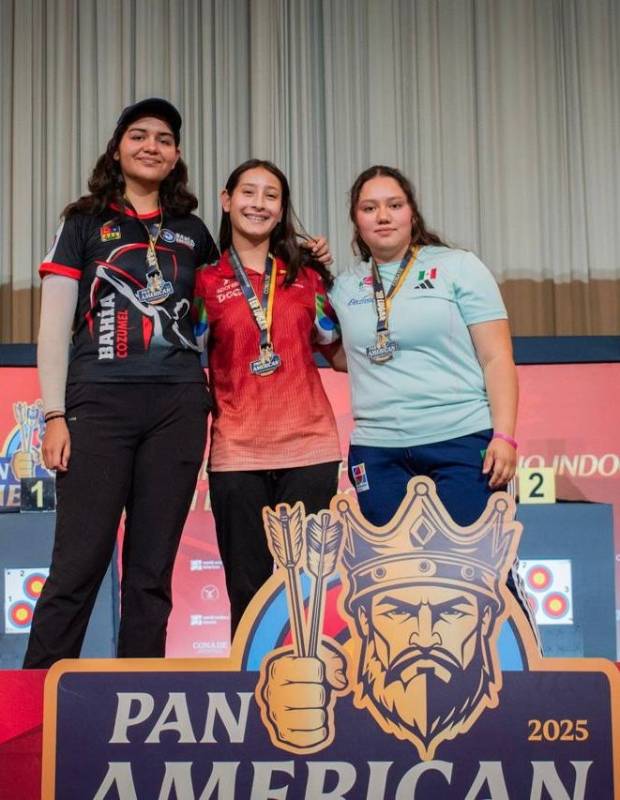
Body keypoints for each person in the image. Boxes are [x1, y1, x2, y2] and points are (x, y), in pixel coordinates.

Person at [24, 98, 217, 667]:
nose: (151, 146)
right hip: (98, 407)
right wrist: (53, 415)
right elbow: (53, 326)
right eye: (139, 135)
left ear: (176, 156)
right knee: (76, 567)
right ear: (117, 149)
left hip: (177, 408)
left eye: (164, 139)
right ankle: (32, 704)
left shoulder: (193, 232)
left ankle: (140, 698)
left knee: (151, 575)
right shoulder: (84, 221)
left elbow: (225, 308)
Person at [328, 164, 535, 625]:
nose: (383, 216)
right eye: (369, 208)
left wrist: (504, 436)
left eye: (394, 205)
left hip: (461, 441)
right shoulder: (344, 286)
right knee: (396, 584)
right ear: (356, 220)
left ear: (412, 213)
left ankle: (522, 663)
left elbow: (497, 358)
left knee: (484, 571)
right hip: (378, 450)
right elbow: (346, 356)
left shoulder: (457, 267)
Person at [193, 159, 342, 636]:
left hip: (310, 449)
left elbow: (340, 353)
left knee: (308, 590)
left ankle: (313, 680)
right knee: (249, 592)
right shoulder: (204, 281)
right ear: (226, 200)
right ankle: (252, 682)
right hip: (237, 454)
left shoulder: (307, 277)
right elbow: (185, 356)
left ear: (281, 209)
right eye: (248, 192)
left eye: (271, 195)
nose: (258, 204)